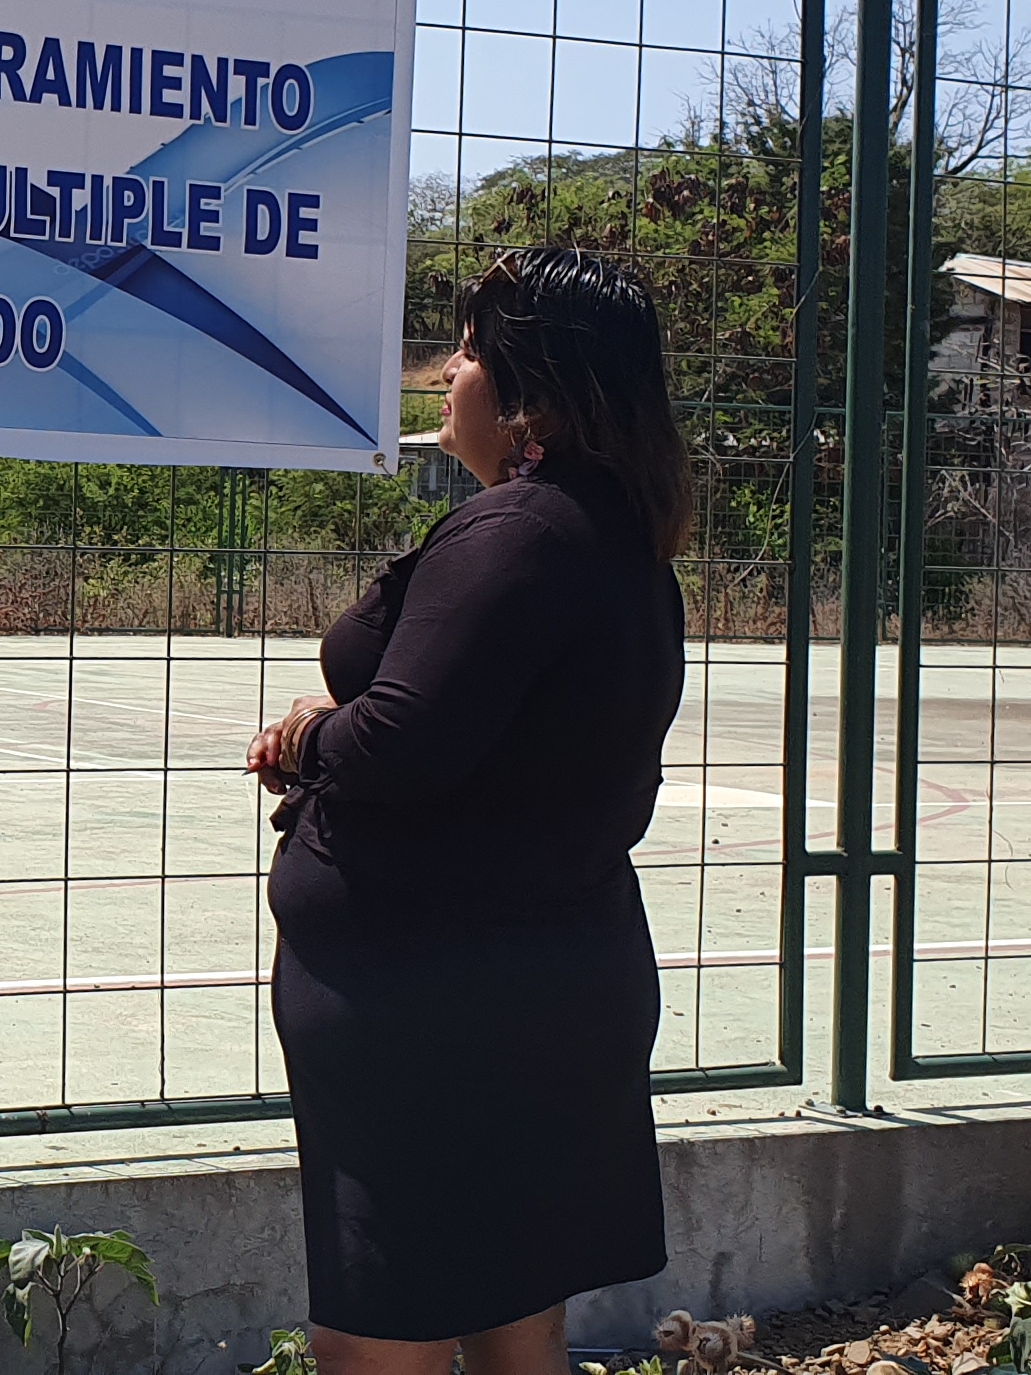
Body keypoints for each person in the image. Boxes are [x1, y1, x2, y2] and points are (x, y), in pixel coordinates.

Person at [245, 247, 696, 1375]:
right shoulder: (615, 535)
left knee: (381, 1328)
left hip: (435, 1007)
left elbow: (403, 739)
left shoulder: (520, 533)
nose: (449, 373)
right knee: (512, 1306)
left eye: (470, 352)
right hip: (541, 976)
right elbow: (496, 728)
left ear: (532, 391)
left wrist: (306, 738)